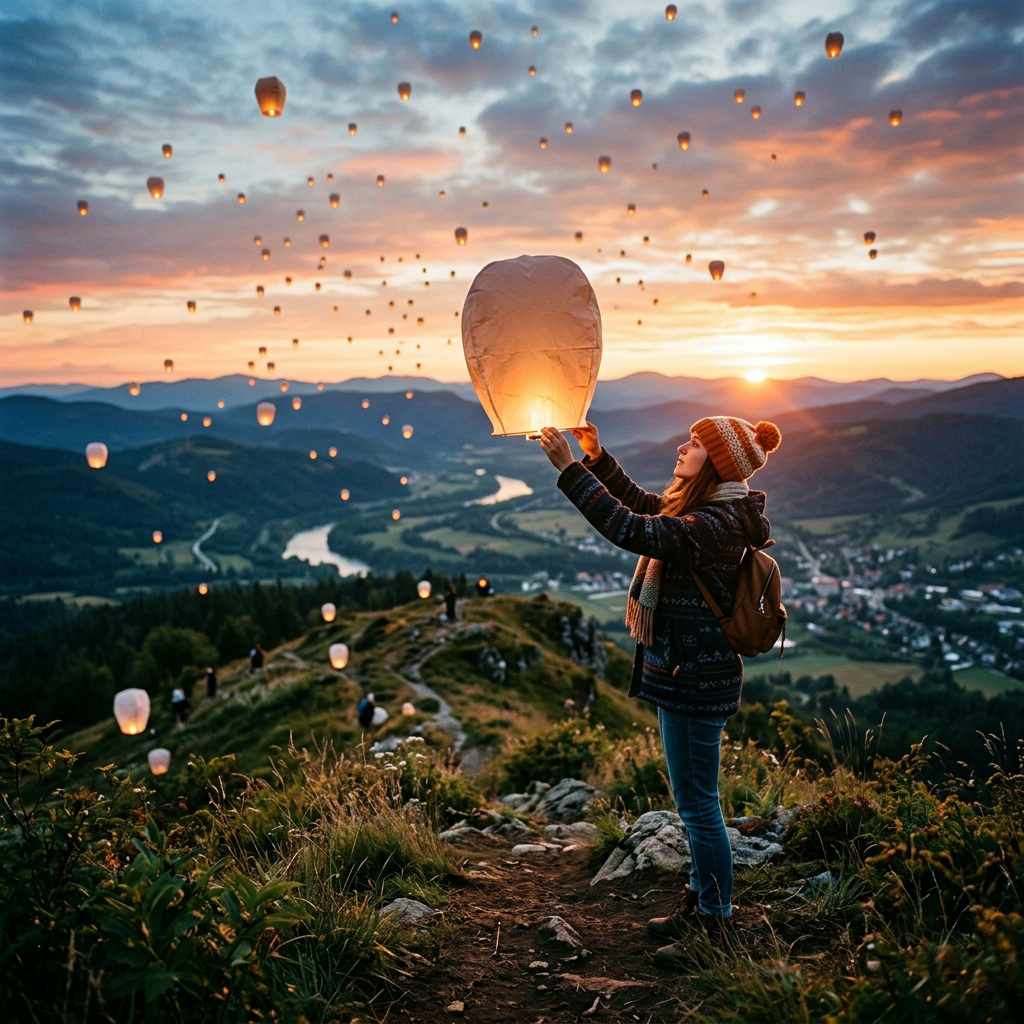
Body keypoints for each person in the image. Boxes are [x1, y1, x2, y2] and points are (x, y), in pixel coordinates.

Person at [539, 415, 781, 966]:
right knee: (695, 803)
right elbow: (648, 508)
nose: (682, 446)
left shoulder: (716, 524)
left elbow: (632, 529)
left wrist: (570, 471)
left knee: (699, 809)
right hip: (688, 677)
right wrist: (598, 458)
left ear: (718, 463)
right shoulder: (709, 513)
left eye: (695, 444)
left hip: (695, 681)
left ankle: (715, 925)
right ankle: (700, 902)